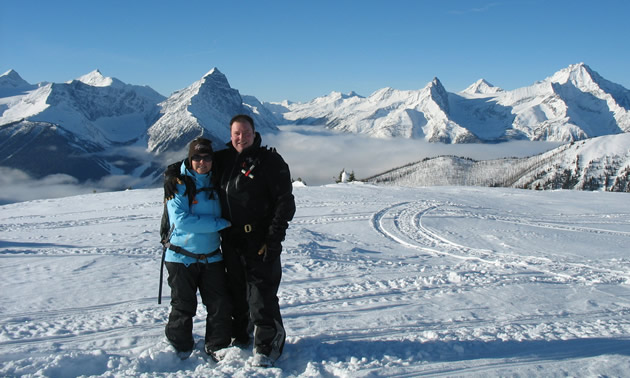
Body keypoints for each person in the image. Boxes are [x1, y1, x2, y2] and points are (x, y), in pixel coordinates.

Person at [164, 114, 295, 367]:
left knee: (261, 294)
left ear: (254, 133)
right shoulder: (224, 159)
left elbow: (285, 203)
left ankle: (268, 345)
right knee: (237, 292)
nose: (241, 137)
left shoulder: (270, 161)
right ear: (231, 134)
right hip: (232, 240)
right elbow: (196, 163)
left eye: (245, 132)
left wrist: (274, 238)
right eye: (236, 133)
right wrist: (171, 174)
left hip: (260, 240)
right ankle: (242, 335)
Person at [162, 137, 233, 361]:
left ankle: (217, 344)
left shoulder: (218, 180)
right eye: (197, 157)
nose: (202, 162)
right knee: (183, 305)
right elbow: (181, 221)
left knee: (219, 304)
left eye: (207, 157)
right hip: (181, 256)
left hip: (211, 256)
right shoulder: (178, 184)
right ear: (189, 159)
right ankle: (179, 345)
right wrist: (221, 224)